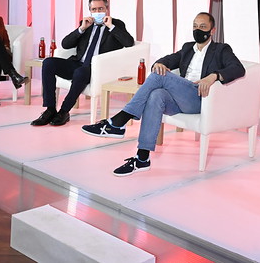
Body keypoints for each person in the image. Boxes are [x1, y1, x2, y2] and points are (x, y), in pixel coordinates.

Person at [81, 12, 245, 176]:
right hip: (179, 98)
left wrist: (213, 76)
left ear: (212, 30)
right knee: (156, 95)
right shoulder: (188, 48)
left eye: (203, 27)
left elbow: (238, 68)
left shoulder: (221, 49)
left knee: (160, 76)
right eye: (195, 26)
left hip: (199, 97)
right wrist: (159, 63)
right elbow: (167, 60)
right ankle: (142, 158)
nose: (198, 30)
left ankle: (119, 121)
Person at [31, 0, 134, 127]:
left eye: (101, 9)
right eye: (94, 9)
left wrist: (111, 26)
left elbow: (129, 42)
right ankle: (50, 109)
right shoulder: (86, 24)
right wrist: (81, 29)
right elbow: (65, 44)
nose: (97, 12)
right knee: (48, 63)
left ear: (106, 9)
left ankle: (64, 111)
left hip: (97, 68)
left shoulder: (116, 24)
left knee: (80, 72)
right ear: (90, 11)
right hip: (78, 63)